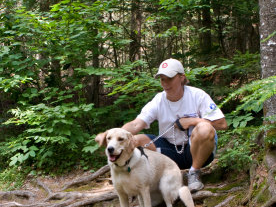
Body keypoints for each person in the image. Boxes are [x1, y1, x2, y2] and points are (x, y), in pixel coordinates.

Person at [97, 58, 228, 192]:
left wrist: (191, 121)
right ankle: (131, 179)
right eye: (162, 79)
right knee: (136, 140)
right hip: (169, 151)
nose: (165, 83)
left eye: (169, 78)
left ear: (182, 77)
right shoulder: (158, 100)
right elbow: (136, 125)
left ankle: (194, 173)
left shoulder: (198, 95)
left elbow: (222, 123)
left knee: (204, 128)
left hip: (197, 151)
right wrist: (114, 138)